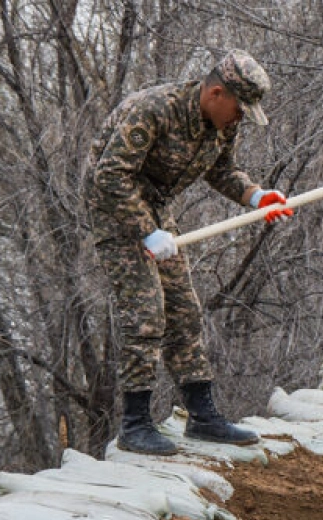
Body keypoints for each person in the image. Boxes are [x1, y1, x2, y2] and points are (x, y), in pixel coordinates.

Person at [86, 49, 293, 456]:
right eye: (239, 109)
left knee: (183, 310)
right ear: (216, 93)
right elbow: (108, 176)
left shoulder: (222, 123)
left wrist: (256, 196)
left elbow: (222, 170)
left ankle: (202, 417)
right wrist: (146, 232)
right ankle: (134, 425)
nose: (240, 118)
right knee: (146, 314)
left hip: (154, 209)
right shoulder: (154, 110)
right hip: (113, 206)